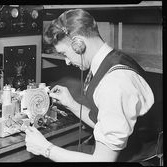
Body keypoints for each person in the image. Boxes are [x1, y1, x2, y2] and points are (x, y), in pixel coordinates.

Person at [24, 9, 154, 162]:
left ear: (78, 44)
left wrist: (45, 148)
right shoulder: (114, 59)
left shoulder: (114, 83)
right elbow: (104, 123)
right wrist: (71, 103)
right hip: (125, 151)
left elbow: (103, 161)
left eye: (64, 53)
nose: (66, 61)